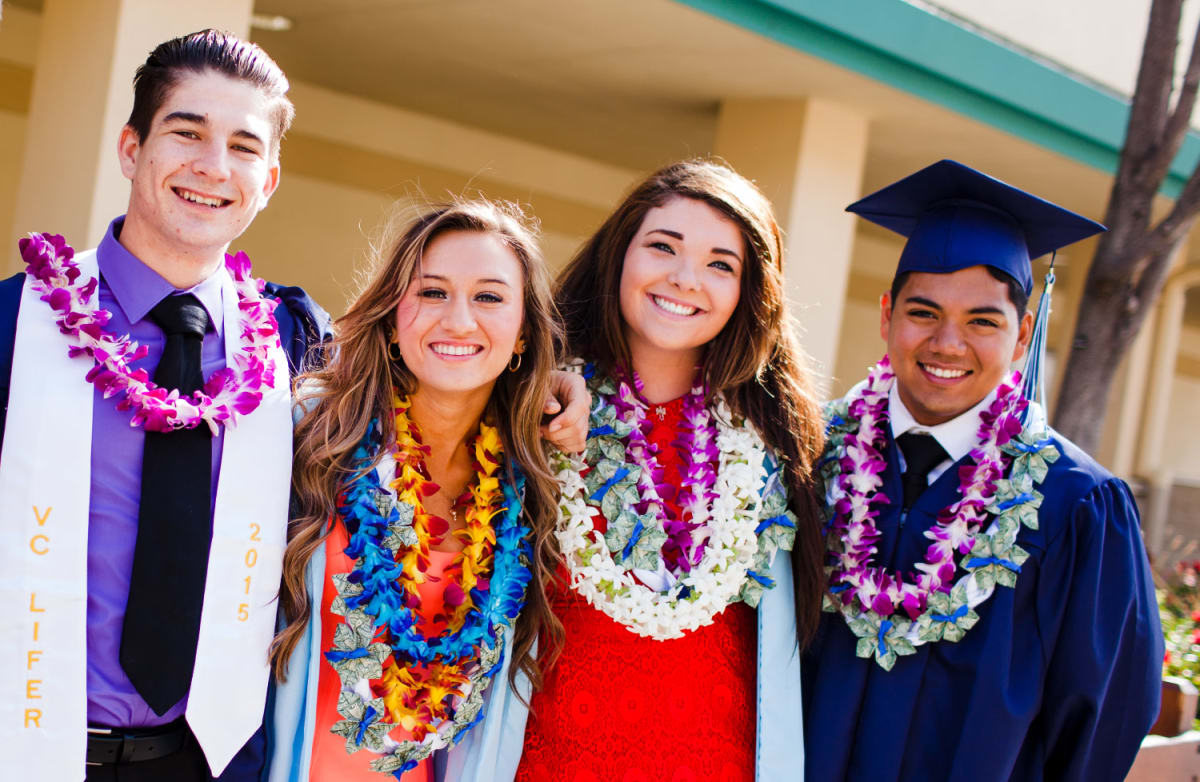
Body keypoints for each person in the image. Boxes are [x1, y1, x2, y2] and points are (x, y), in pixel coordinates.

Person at [0, 30, 586, 782]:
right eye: (188, 133)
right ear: (129, 149)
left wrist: (556, 383)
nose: (214, 167)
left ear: (268, 179)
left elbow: (436, 360)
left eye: (243, 146)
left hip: (212, 762)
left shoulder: (289, 338)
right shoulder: (19, 327)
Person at [803, 159, 1163, 782]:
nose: (947, 343)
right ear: (887, 315)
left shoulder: (1075, 505)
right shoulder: (810, 455)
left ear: (1023, 335)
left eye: (982, 321)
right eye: (924, 312)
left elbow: (1102, 713)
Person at [509, 159, 828, 781]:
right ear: (620, 254)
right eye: (663, 246)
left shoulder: (774, 441)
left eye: (720, 264)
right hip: (551, 758)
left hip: (713, 760)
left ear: (748, 291)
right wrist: (527, 388)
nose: (686, 279)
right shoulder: (535, 407)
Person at [266, 199, 564, 781]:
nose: (458, 320)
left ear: (523, 332)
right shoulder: (309, 436)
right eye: (432, 292)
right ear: (393, 314)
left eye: (489, 297)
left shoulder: (530, 484)